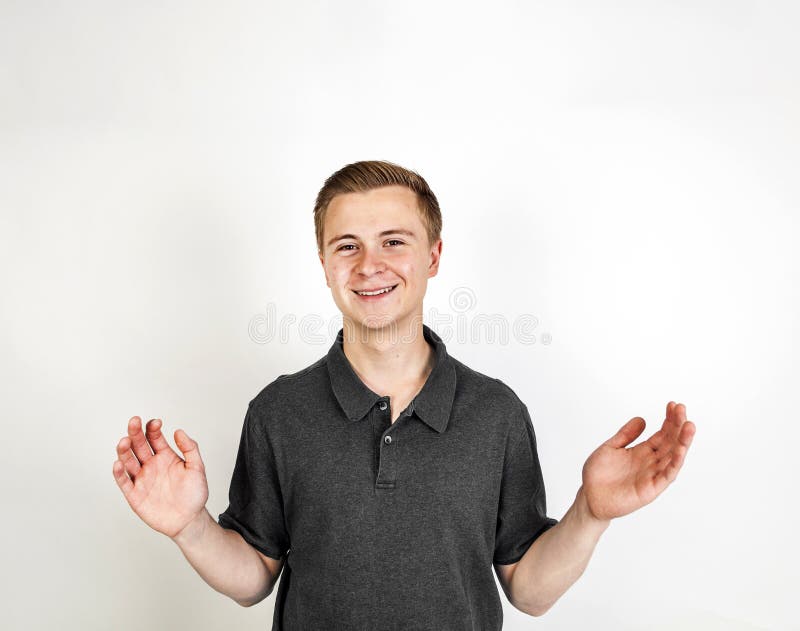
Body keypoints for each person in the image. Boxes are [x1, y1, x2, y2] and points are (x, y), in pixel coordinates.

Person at [112, 160, 696, 630]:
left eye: (394, 241)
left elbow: (529, 591)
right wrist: (189, 526)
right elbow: (255, 578)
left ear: (434, 255)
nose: (370, 265)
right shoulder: (278, 412)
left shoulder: (496, 414)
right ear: (323, 264)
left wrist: (590, 514)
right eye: (347, 246)